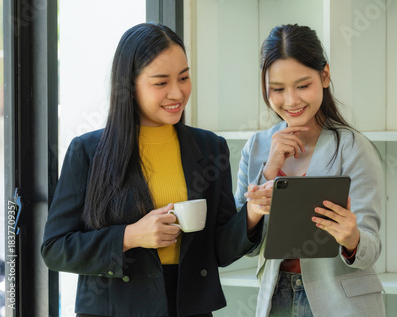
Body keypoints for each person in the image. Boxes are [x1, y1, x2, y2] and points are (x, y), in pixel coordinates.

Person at [41, 22, 263, 317]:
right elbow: (56, 249)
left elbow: (219, 250)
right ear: (129, 86)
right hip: (115, 309)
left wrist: (253, 212)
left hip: (188, 308)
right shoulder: (88, 151)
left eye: (184, 78)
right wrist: (131, 236)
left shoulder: (210, 148)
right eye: (161, 83)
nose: (177, 93)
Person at [239, 24, 386, 316]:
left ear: (325, 76)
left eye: (303, 85)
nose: (291, 100)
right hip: (275, 297)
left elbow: (371, 248)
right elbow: (243, 245)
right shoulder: (257, 147)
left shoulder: (354, 147)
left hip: (340, 302)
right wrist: (270, 171)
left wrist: (351, 238)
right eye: (277, 89)